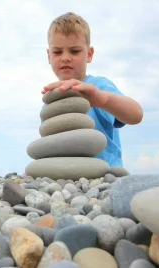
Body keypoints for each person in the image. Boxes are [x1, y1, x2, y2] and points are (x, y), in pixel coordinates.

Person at [41, 12, 143, 168]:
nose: (66, 57)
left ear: (89, 54)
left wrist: (102, 99)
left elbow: (135, 115)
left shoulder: (97, 87)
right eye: (57, 52)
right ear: (49, 56)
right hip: (65, 180)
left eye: (75, 51)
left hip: (103, 178)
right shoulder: (51, 101)